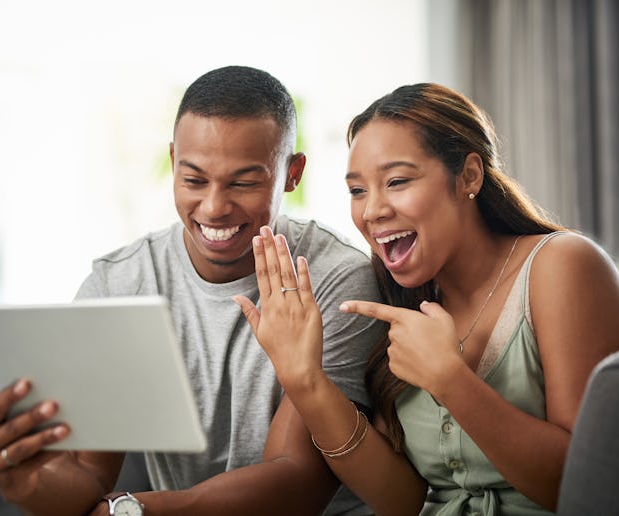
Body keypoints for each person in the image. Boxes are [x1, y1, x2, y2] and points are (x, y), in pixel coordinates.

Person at [0, 65, 386, 516]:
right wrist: (24, 482)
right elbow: (87, 478)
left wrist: (135, 511)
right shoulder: (119, 285)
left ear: (292, 172)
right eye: (193, 179)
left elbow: (298, 480)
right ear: (172, 161)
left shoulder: (337, 278)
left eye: (244, 182)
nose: (213, 207)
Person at [234, 83, 619, 515]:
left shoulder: (562, 266)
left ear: (469, 176)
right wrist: (304, 380)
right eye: (358, 190)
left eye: (397, 181)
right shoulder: (401, 301)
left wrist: (451, 381)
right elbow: (402, 501)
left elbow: (589, 491)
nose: (372, 210)